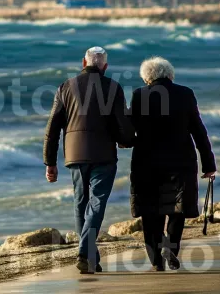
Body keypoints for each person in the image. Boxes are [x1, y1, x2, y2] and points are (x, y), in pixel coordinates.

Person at [43, 46, 134, 274]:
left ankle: (90, 258)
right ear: (105, 66)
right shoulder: (113, 87)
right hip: (104, 154)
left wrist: (50, 161)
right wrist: (127, 141)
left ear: (84, 63)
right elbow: (121, 123)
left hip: (74, 155)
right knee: (97, 204)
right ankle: (85, 252)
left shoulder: (65, 87)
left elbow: (52, 127)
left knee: (81, 204)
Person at [127, 57, 217, 271]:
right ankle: (171, 247)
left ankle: (156, 261)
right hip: (181, 160)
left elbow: (130, 127)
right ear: (170, 75)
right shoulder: (185, 93)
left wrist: (122, 142)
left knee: (151, 210)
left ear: (147, 78)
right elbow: (198, 130)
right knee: (178, 208)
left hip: (146, 162)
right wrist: (208, 164)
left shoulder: (140, 95)